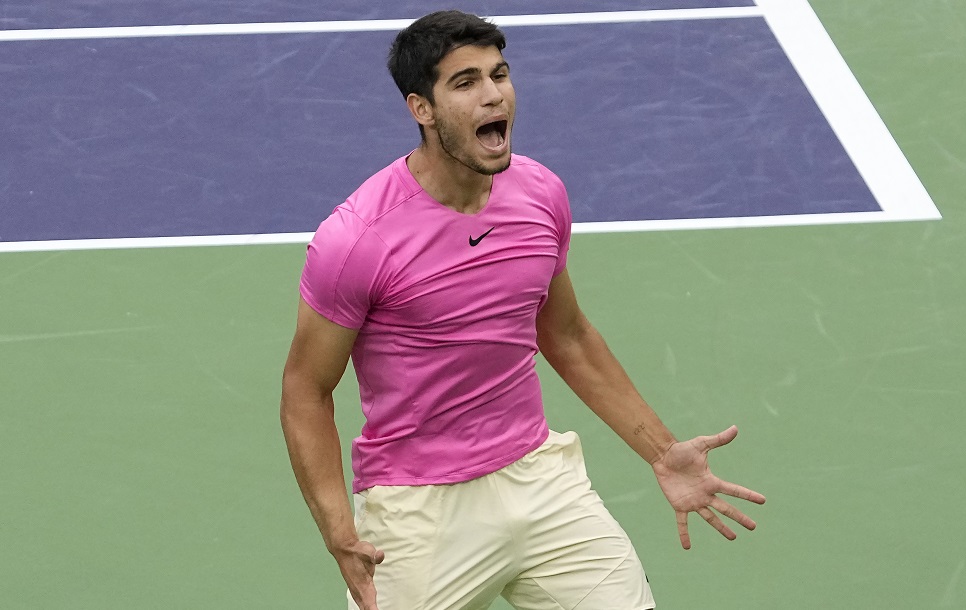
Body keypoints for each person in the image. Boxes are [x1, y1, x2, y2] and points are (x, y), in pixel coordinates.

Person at [280, 10, 766, 610]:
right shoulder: (357, 239)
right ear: (421, 109)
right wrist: (338, 531)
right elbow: (306, 389)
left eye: (499, 74)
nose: (492, 96)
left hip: (541, 482)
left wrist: (662, 453)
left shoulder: (539, 194)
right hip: (420, 509)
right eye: (465, 83)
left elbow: (566, 335)